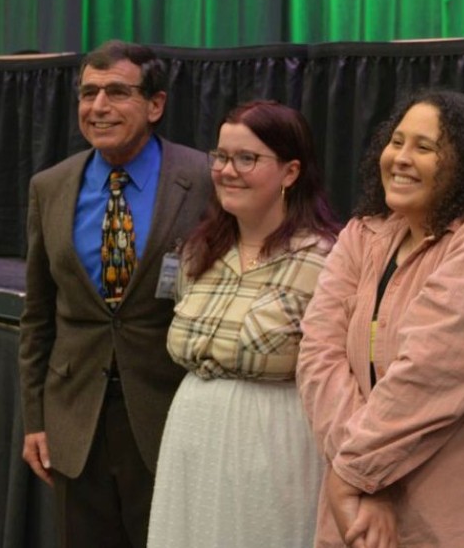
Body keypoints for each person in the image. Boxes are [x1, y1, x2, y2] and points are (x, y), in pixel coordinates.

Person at [297, 89, 464, 547]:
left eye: (424, 147)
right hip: (361, 518)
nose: (401, 158)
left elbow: (429, 375)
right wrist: (362, 482)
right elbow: (319, 357)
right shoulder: (363, 234)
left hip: (463, 526)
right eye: (396, 141)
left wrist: (352, 475)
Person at [18, 40, 213, 547]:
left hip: (169, 413)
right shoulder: (50, 186)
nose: (98, 107)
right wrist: (35, 420)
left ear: (155, 104)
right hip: (74, 420)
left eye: (116, 92)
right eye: (88, 93)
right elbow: (38, 316)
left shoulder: (204, 180)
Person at [146, 100, 341, 546]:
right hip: (191, 440)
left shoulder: (328, 258)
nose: (226, 171)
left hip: (274, 444)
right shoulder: (198, 251)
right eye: (221, 156)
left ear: (290, 172)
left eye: (246, 158)